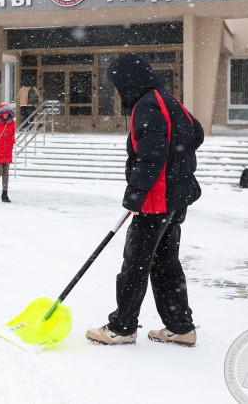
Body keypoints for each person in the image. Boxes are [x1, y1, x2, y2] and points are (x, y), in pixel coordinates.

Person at [86, 53, 204, 347]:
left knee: (136, 262)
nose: (117, 90)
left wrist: (136, 194)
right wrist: (178, 161)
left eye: (117, 83)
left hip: (157, 199)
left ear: (128, 80)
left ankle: (122, 327)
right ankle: (180, 327)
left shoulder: (148, 104)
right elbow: (196, 132)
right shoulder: (167, 99)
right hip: (177, 197)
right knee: (165, 261)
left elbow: (151, 154)